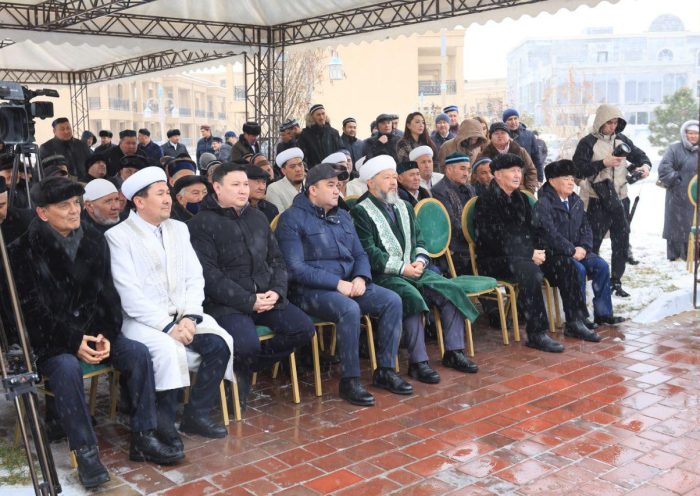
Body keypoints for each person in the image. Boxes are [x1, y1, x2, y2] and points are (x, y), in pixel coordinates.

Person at [9, 177, 182, 489]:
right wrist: (73, 341)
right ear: (43, 213)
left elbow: (108, 295)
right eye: (64, 205)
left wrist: (105, 335)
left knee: (137, 353)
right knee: (66, 367)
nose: (74, 211)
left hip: (94, 331)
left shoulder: (93, 239)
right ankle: (86, 452)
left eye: (76, 203)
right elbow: (29, 312)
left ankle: (144, 435)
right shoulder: (21, 251)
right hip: (49, 341)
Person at [105, 167, 234, 442]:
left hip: (183, 315)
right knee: (168, 350)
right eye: (160, 194)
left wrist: (189, 317)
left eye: (168, 193)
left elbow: (194, 277)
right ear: (139, 202)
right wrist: (168, 327)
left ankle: (196, 415)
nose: (168, 199)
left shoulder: (178, 228)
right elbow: (129, 295)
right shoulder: (118, 236)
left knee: (219, 342)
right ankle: (163, 422)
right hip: (142, 321)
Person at [276, 163, 410, 406]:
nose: (337, 190)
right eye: (330, 185)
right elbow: (295, 268)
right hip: (309, 291)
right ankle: (350, 380)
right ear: (313, 190)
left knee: (392, 300)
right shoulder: (291, 219)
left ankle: (385, 370)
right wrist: (336, 283)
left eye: (338, 185)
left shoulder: (343, 217)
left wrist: (361, 277)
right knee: (349, 309)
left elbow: (360, 254)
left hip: (348, 284)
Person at [188, 164, 315, 408]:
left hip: (266, 296)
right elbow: (209, 276)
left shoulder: (257, 217)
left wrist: (276, 291)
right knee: (246, 345)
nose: (243, 190)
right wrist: (248, 301)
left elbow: (276, 260)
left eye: (245, 184)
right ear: (217, 188)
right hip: (227, 304)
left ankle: (244, 368)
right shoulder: (200, 224)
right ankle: (241, 369)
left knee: (303, 329)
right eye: (235, 185)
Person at [351, 155, 480, 382]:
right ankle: (418, 362)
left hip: (415, 269)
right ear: (370, 182)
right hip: (383, 275)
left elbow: (420, 240)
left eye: (394, 177)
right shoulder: (360, 212)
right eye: (387, 178)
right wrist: (403, 269)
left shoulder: (404, 205)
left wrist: (420, 261)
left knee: (449, 289)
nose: (393, 182)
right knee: (411, 297)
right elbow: (369, 252)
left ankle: (454, 351)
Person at [474, 153, 565, 353]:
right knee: (530, 272)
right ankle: (537, 333)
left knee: (563, 263)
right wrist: (528, 253)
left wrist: (539, 250)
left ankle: (576, 319)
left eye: (519, 171)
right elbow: (495, 240)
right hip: (494, 260)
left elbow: (536, 229)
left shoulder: (521, 198)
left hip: (523, 256)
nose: (518, 175)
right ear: (498, 174)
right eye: (512, 171)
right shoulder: (485, 202)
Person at [534, 160, 624, 330]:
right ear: (552, 181)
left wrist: (583, 247)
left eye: (572, 179)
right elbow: (549, 234)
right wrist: (570, 250)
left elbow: (586, 228)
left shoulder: (576, 201)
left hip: (577, 251)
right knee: (578, 270)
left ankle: (603, 313)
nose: (571, 182)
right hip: (554, 256)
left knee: (601, 266)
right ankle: (579, 318)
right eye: (565, 178)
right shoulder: (543, 204)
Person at [573, 104, 651, 297]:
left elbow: (641, 156)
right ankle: (592, 280)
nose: (613, 126)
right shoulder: (587, 143)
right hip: (596, 200)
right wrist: (603, 163)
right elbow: (577, 170)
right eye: (609, 122)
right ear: (600, 122)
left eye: (616, 122)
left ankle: (616, 281)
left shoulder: (622, 140)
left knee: (621, 241)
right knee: (593, 242)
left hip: (621, 198)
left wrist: (645, 167)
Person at [658, 120, 699, 261]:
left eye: (696, 133)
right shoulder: (674, 149)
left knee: (694, 225)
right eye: (690, 133)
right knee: (676, 227)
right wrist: (678, 181)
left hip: (696, 198)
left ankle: (694, 254)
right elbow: (664, 169)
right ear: (685, 134)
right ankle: (676, 255)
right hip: (677, 197)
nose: (693, 136)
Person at [432, 153, 475, 275]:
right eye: (462, 169)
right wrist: (475, 236)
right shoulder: (439, 191)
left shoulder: (470, 188)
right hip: (456, 249)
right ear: (449, 169)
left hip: (472, 242)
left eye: (468, 169)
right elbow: (452, 223)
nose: (466, 173)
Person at [478, 122, 538, 194]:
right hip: (494, 194)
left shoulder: (520, 151)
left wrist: (529, 190)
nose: (500, 136)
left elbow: (531, 171)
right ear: (490, 137)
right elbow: (477, 176)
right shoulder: (484, 155)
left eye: (503, 133)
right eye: (496, 133)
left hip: (519, 192)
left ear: (509, 136)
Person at [503, 108, 544, 183]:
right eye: (510, 119)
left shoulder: (529, 135)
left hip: (526, 178)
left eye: (515, 118)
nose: (513, 122)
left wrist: (540, 178)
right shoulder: (502, 136)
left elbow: (536, 158)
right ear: (505, 122)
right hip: (507, 177)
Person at [297, 104, 343, 169]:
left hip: (333, 171)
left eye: (323, 114)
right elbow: (303, 158)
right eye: (318, 115)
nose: (321, 117)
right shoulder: (304, 135)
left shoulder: (334, 133)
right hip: (314, 172)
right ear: (312, 117)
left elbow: (341, 152)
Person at [267, 147, 305, 213]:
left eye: (300, 165)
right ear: (283, 171)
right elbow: (281, 217)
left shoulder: (311, 185)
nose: (298, 169)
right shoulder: (274, 189)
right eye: (292, 166)